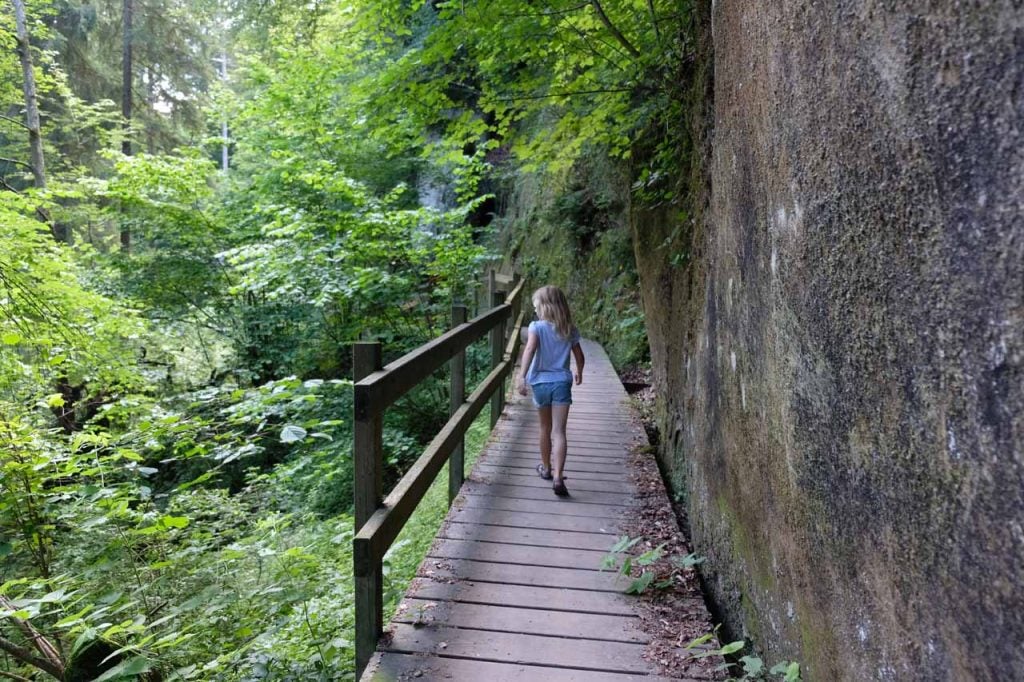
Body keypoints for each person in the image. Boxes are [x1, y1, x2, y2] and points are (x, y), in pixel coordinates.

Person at [516, 285, 585, 497]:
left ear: (544, 306)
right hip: (562, 383)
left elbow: (529, 349)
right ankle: (558, 476)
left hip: (540, 383)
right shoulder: (569, 329)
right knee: (560, 432)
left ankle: (546, 468)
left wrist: (522, 376)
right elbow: (580, 356)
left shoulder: (536, 327)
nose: (535, 310)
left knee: (544, 429)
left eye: (536, 306)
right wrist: (579, 372)